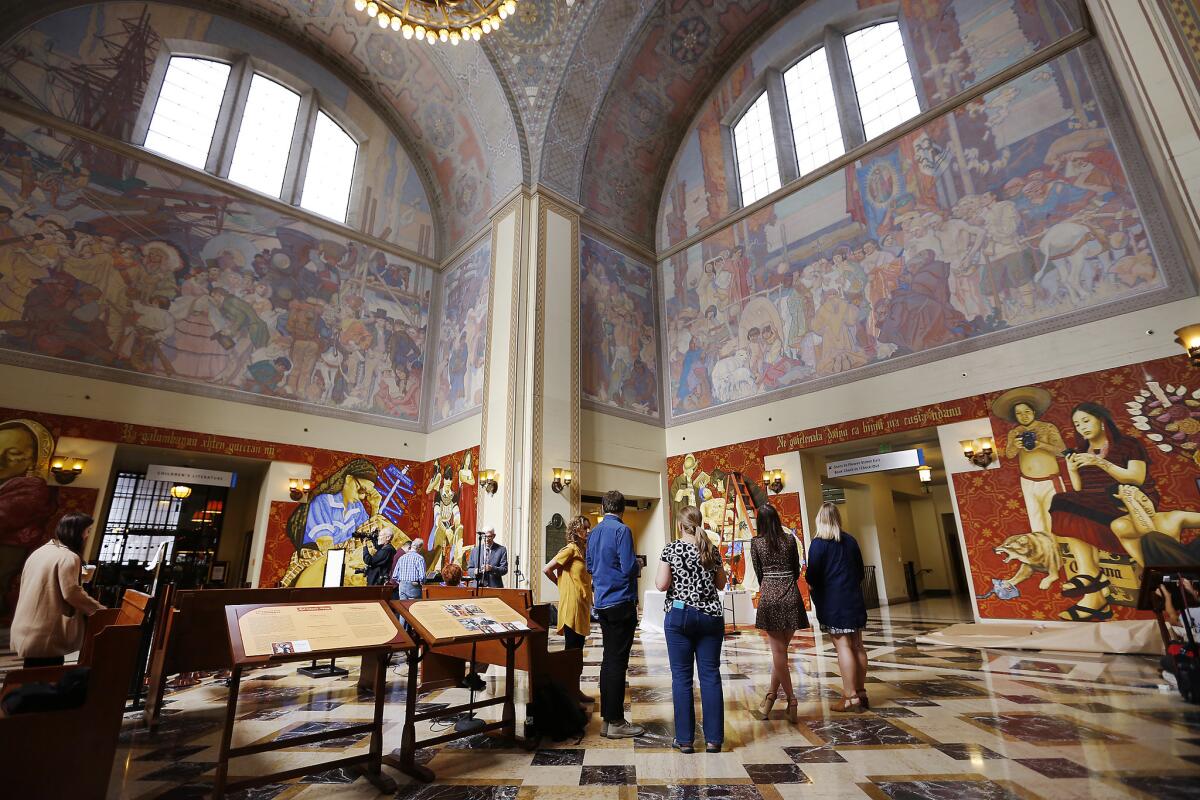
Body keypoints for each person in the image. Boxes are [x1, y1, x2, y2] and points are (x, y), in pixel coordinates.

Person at [1049, 402, 1156, 621]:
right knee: (1063, 501)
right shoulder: (1081, 451)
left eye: (1086, 421)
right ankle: (1089, 575)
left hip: (1126, 499)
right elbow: (1080, 491)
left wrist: (1099, 462)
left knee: (1069, 505)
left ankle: (1091, 579)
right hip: (1094, 503)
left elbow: (1137, 479)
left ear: (1102, 420)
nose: (1082, 428)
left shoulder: (1128, 444)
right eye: (1077, 424)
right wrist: (1072, 469)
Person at [657, 506, 726, 753]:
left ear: (680, 526)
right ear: (699, 523)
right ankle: (714, 739)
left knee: (682, 678)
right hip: (710, 617)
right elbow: (721, 584)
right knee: (710, 676)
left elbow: (662, 584)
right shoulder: (710, 548)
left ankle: (685, 740)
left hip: (680, 616)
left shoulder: (672, 549)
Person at [585, 489, 644, 738]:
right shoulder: (622, 530)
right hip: (621, 602)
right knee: (618, 663)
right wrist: (639, 564)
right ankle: (617, 721)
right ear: (622, 509)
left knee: (609, 660)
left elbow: (589, 565)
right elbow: (629, 566)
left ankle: (608, 721)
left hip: (602, 603)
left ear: (602, 508)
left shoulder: (594, 532)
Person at [10, 512, 105, 667]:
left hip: (29, 625)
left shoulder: (42, 551)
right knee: (45, 680)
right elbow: (72, 593)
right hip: (46, 631)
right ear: (76, 532)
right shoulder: (68, 557)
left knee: (32, 676)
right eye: (87, 530)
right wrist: (100, 610)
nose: (87, 536)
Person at [805, 502, 869, 712]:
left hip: (834, 601)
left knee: (843, 647)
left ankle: (849, 696)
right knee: (858, 645)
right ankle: (861, 692)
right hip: (853, 597)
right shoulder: (850, 540)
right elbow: (860, 571)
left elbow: (812, 575)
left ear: (819, 519)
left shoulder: (819, 544)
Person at [750, 504, 809, 723]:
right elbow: (796, 569)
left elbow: (758, 572)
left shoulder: (756, 543)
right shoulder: (790, 539)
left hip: (770, 597)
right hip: (791, 595)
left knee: (778, 653)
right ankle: (771, 696)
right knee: (781, 652)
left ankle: (792, 699)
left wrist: (769, 583)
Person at [993, 386, 1067, 535]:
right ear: (1015, 416)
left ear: (1033, 412)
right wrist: (1015, 444)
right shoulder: (1015, 432)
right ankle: (1046, 556)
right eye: (1019, 413)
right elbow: (1009, 455)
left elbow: (1062, 452)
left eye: (1027, 411)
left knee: (1055, 520)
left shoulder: (1048, 427)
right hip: (1028, 482)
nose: (1023, 416)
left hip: (1049, 481)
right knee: (1036, 521)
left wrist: (1041, 444)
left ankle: (1062, 554)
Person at [544, 515, 593, 650]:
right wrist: (560, 584)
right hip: (572, 604)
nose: (588, 531)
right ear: (576, 530)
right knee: (572, 647)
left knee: (578, 646)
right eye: (585, 528)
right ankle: (568, 671)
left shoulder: (583, 550)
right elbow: (547, 569)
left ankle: (574, 671)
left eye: (589, 528)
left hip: (582, 603)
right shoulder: (570, 549)